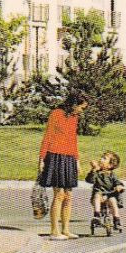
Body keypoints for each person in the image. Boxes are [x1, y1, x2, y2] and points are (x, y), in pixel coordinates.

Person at [37, 93, 87, 239]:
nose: (82, 111)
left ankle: (65, 229)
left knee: (68, 196)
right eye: (81, 107)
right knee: (59, 194)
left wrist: (77, 160)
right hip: (55, 155)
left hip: (69, 157)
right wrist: (41, 158)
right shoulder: (56, 114)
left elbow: (73, 139)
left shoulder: (74, 117)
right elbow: (48, 136)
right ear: (74, 104)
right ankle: (54, 231)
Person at [85, 150, 125, 231]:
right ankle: (97, 216)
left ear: (110, 165)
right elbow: (90, 180)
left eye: (104, 158)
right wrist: (93, 170)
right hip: (98, 197)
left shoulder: (112, 175)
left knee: (113, 200)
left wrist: (119, 186)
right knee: (97, 195)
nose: (101, 160)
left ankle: (116, 220)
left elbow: (117, 182)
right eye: (101, 158)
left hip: (109, 195)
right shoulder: (97, 172)